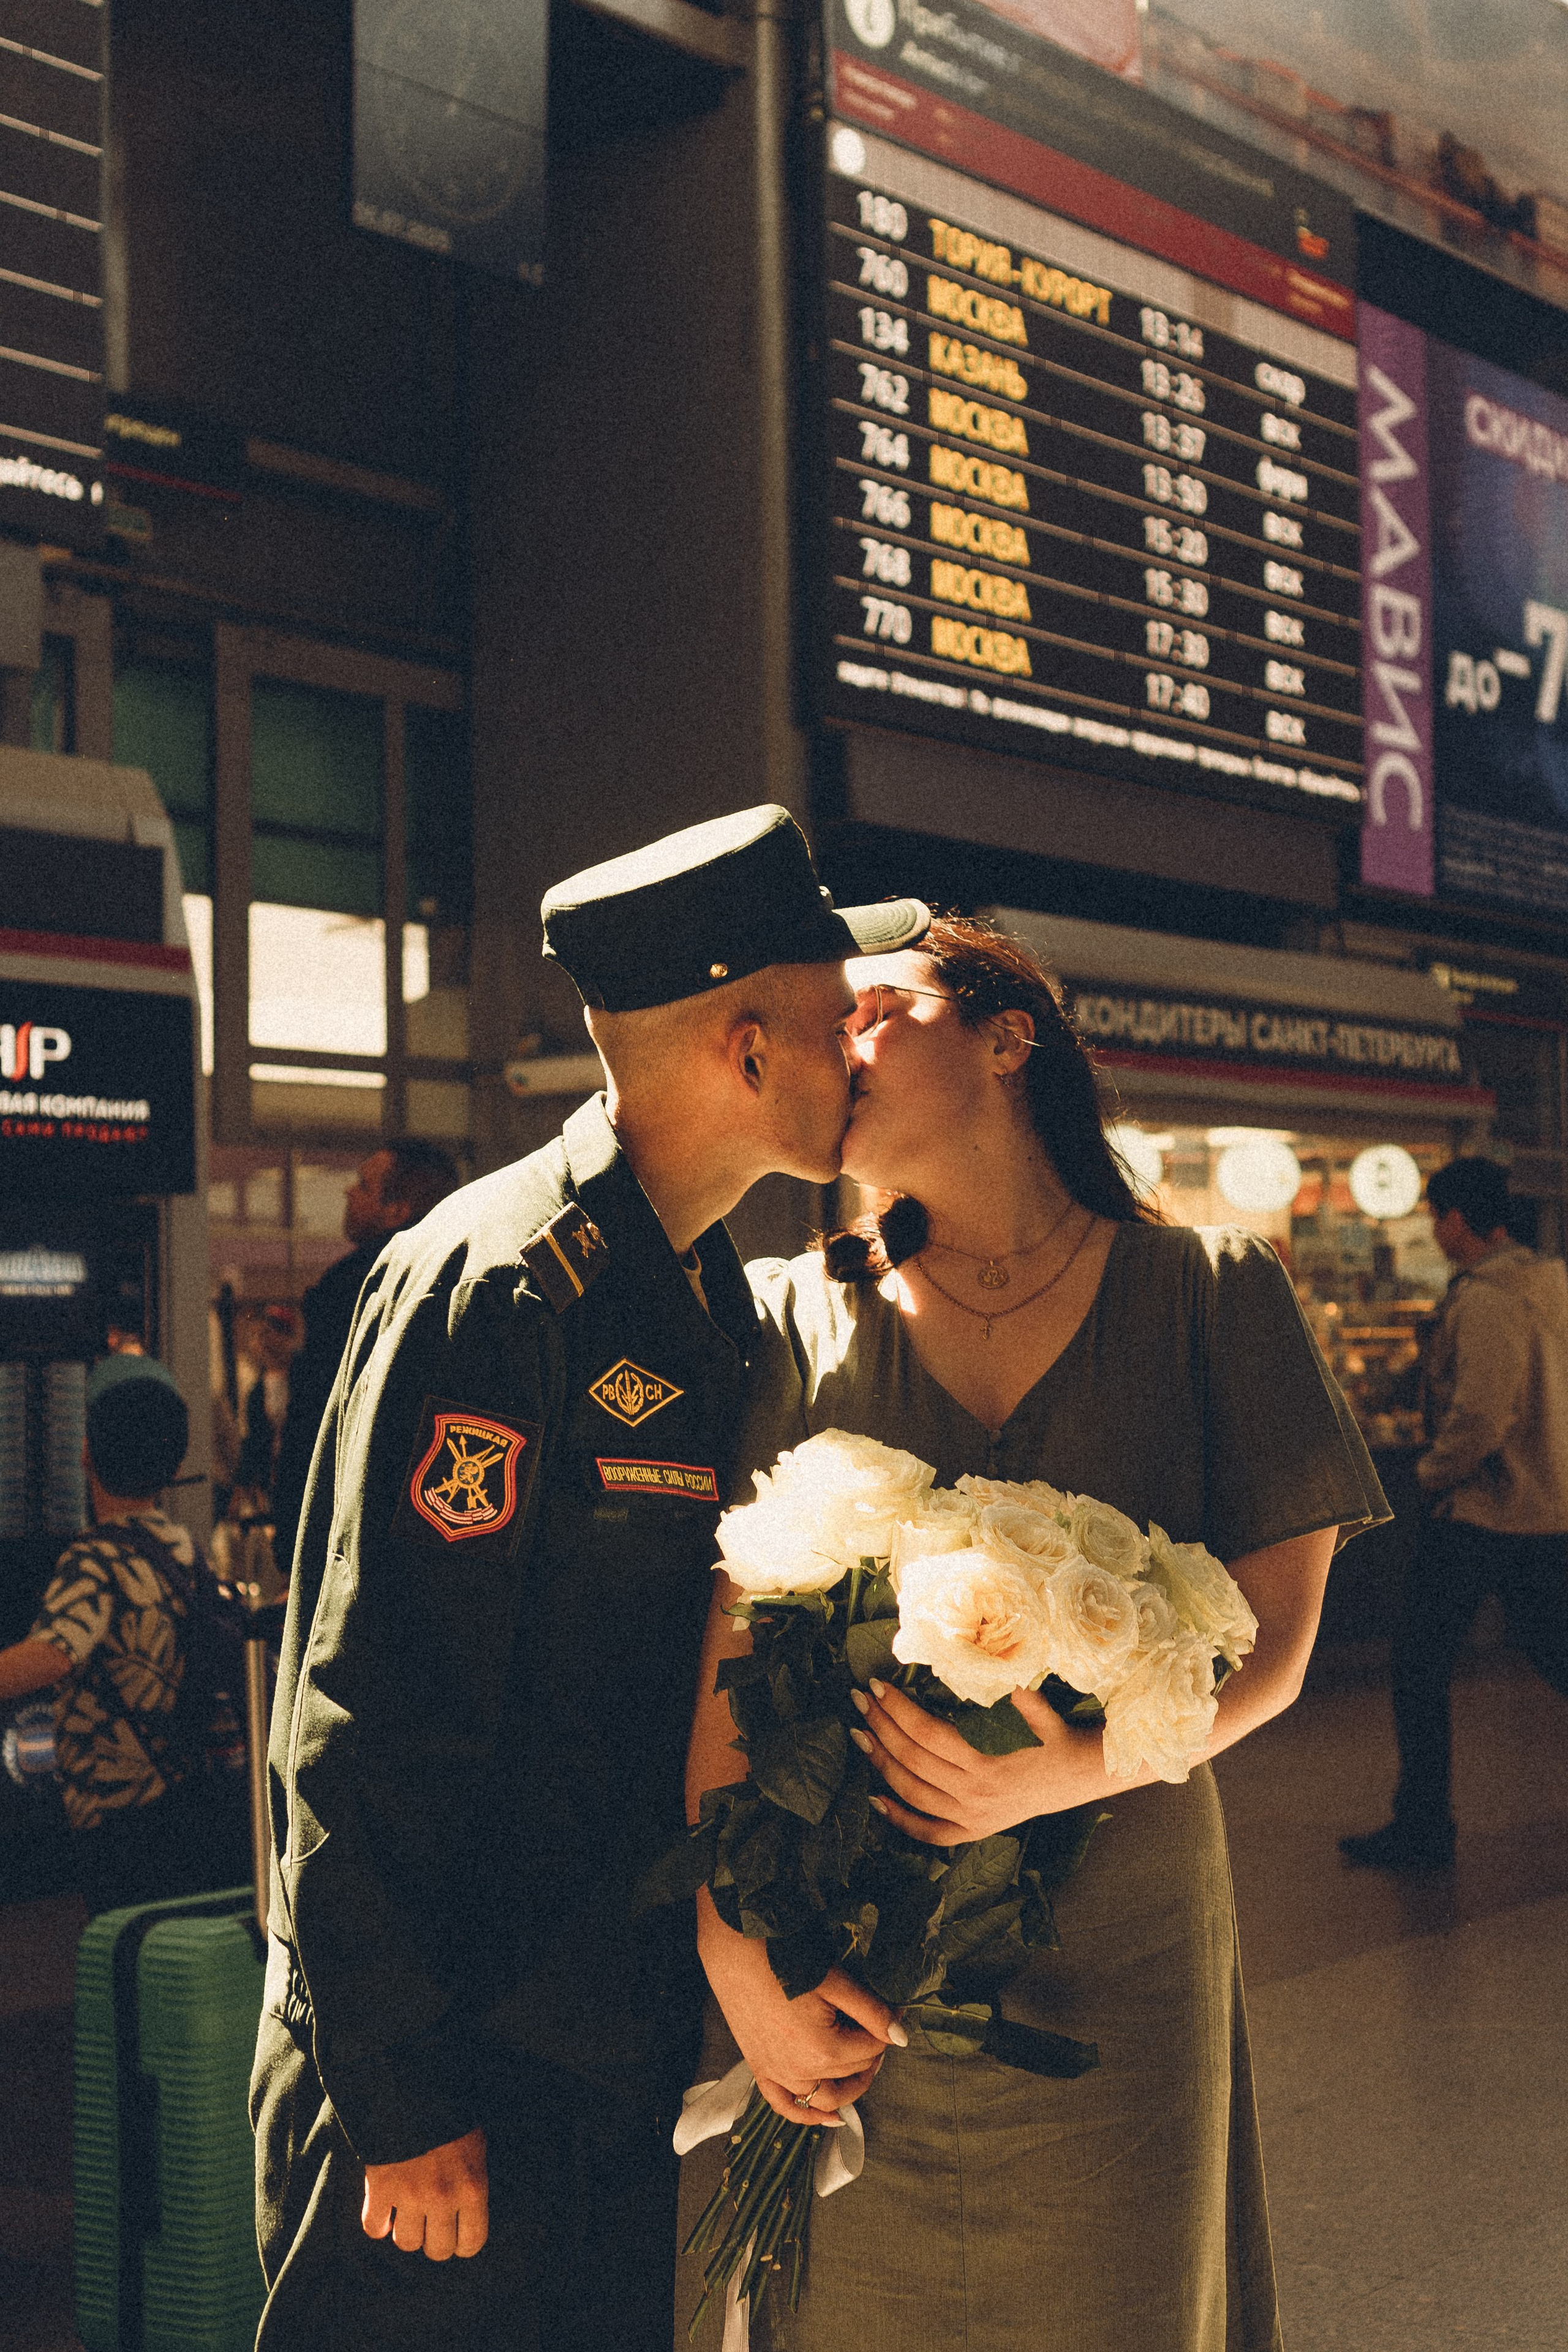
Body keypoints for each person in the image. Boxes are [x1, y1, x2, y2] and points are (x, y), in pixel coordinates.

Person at [250, 805, 929, 2352]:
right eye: (837, 1022)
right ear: (747, 1050)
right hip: (452, 2078)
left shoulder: (694, 1291)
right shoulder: (504, 1288)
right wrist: (402, 2096)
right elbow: (371, 1710)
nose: (862, 1055)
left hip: (590, 2051)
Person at [678, 918, 1388, 2352]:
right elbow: (726, 1655)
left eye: (875, 1009)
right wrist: (733, 1954)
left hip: (1116, 1939)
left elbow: (1277, 1639)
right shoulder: (788, 1312)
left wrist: (1063, 1770)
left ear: (1009, 1035)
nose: (839, 1046)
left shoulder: (1208, 1288)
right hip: (833, 1946)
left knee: (1118, 2302)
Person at [1341, 1155, 1568, 1871]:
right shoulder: (1549, 1283)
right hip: (1544, 1507)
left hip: (1480, 1510)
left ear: (1459, 1220)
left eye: (1435, 1216)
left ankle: (1423, 1827)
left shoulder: (1487, 1299)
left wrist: (1428, 1475)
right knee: (1551, 1652)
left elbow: (1481, 1414)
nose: (1433, 1231)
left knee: (1417, 1665)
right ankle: (1419, 1822)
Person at [0, 1358, 246, 1917]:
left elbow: (53, 1653)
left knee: (127, 1963)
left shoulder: (95, 1557)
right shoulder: (182, 1548)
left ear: (86, 1450)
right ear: (175, 1462)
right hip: (183, 1801)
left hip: (122, 1819)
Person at [268, 1139, 461, 1571]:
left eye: (363, 1185)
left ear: (398, 1210)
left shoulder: (352, 1289)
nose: (348, 1193)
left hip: (343, 1533)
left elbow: (318, 1419)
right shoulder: (462, 1280)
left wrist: (292, 1540)